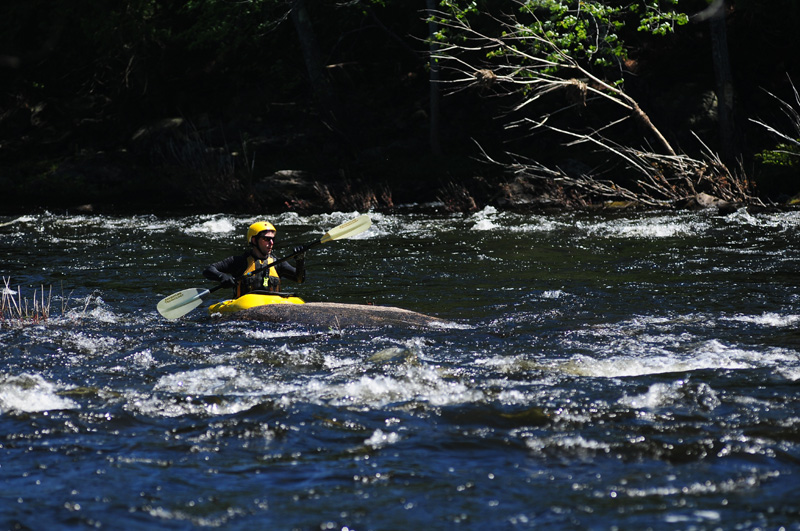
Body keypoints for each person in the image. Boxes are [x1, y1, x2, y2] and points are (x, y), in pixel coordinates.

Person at [203, 221, 305, 297]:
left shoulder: (278, 263)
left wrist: (300, 260)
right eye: (266, 239)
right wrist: (222, 277)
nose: (271, 243)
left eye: (273, 239)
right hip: (245, 310)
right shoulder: (239, 261)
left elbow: (299, 279)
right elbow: (208, 270)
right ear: (254, 240)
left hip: (272, 307)